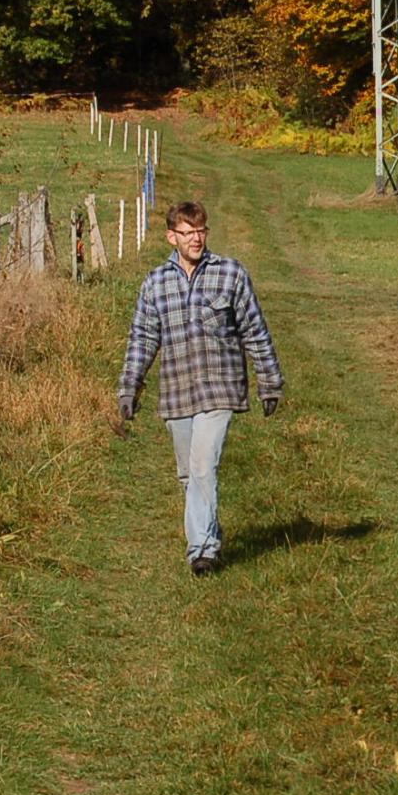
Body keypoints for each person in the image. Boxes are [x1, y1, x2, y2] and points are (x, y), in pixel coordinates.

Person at [116, 200, 284, 575]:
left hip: (220, 389)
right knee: (188, 474)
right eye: (188, 233)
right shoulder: (155, 284)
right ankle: (209, 532)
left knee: (204, 466)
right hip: (177, 392)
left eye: (201, 231)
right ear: (171, 237)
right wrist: (130, 388)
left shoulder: (231, 274)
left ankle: (202, 551)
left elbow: (255, 332)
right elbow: (142, 339)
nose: (196, 239)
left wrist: (269, 382)